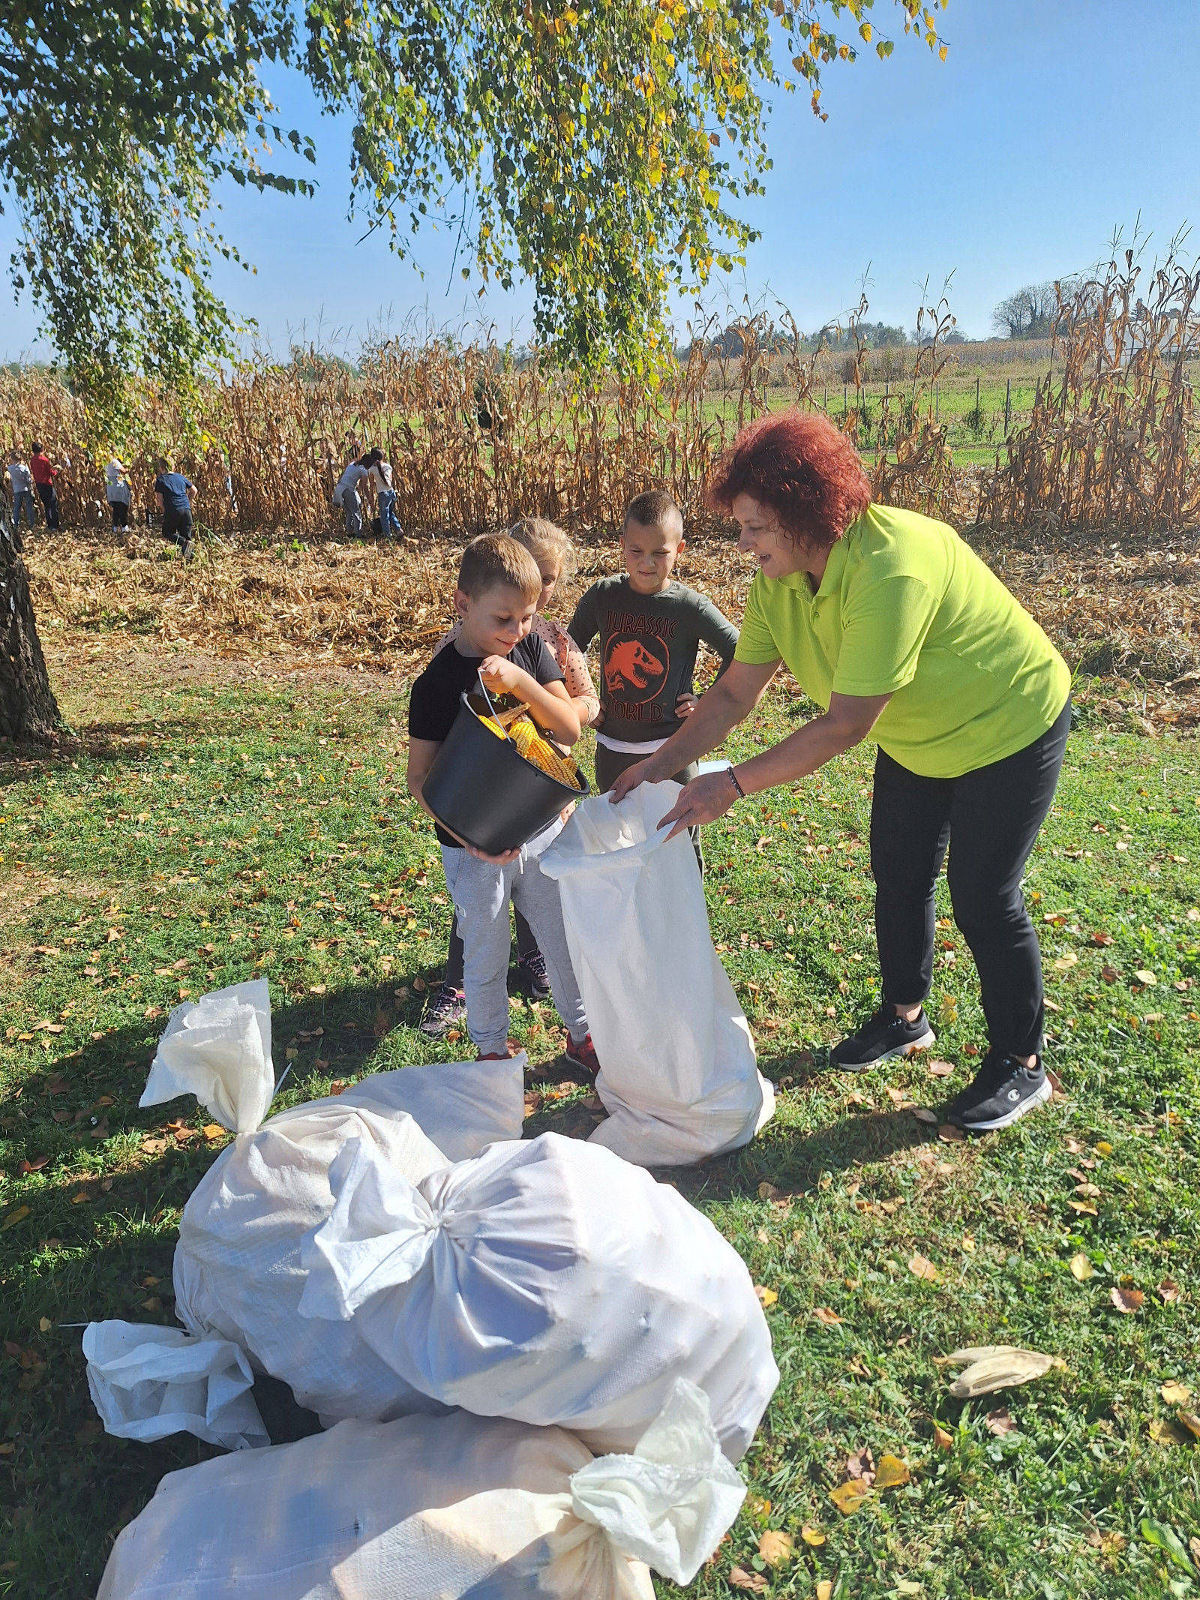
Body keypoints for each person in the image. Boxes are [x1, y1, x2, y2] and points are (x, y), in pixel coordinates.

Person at [612, 411, 1072, 1134]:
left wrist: (729, 786)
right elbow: (736, 691)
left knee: (982, 892)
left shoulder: (892, 567)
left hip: (1008, 724)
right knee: (898, 871)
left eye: (756, 526)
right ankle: (904, 1018)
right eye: (741, 525)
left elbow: (845, 724)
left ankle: (1021, 1063)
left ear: (805, 515)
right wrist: (661, 766)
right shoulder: (780, 580)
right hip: (918, 735)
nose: (743, 542)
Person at [406, 533, 598, 1074]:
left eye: (528, 617)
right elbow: (420, 779)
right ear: (463, 606)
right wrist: (473, 840)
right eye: (503, 619)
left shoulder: (530, 653)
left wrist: (522, 682)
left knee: (561, 939)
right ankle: (491, 1049)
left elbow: (568, 729)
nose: (517, 632)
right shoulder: (438, 684)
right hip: (471, 848)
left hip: (538, 828)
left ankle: (583, 1039)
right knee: (485, 950)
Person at [568, 488, 739, 867]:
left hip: (673, 749)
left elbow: (737, 648)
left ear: (679, 550)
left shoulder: (688, 606)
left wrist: (706, 702)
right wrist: (582, 697)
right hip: (613, 748)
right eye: (636, 551)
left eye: (660, 553)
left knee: (678, 839)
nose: (647, 563)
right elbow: (567, 647)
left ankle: (684, 918)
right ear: (621, 545)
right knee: (618, 842)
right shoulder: (602, 597)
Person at [153, 458, 196, 558]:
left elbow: (159, 500)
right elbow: (194, 490)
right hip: (186, 510)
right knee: (186, 534)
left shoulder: (160, 480)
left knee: (167, 532)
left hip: (173, 509)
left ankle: (183, 542)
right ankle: (189, 560)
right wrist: (188, 501)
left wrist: (164, 510)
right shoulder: (180, 477)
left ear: (161, 467)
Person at [365, 449, 402, 538]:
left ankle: (387, 536)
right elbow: (390, 480)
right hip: (391, 492)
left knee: (384, 516)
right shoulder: (388, 466)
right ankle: (399, 530)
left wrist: (371, 497)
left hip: (383, 494)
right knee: (390, 512)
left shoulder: (372, 469)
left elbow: (371, 485)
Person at [332, 454, 370, 538]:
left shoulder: (352, 464)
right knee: (356, 512)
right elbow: (365, 485)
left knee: (349, 512)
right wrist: (369, 497)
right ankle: (358, 534)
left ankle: (349, 532)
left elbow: (342, 476)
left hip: (340, 488)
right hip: (348, 489)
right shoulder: (363, 470)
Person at [5, 452, 36, 543]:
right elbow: (29, 480)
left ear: (12, 459)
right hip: (26, 489)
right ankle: (31, 523)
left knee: (17, 507)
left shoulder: (10, 468)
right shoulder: (24, 468)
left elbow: (8, 478)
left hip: (17, 490)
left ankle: (16, 523)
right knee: (29, 506)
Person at [30, 442, 61, 531]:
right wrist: (56, 471)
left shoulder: (32, 460)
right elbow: (49, 473)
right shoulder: (44, 460)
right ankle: (55, 525)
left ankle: (50, 525)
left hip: (39, 484)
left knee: (46, 505)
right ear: (42, 450)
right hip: (47, 484)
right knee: (53, 504)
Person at [105, 456, 132, 530]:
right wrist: (129, 468)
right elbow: (123, 471)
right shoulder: (114, 461)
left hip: (111, 487)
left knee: (116, 508)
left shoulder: (105, 462)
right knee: (122, 507)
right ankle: (124, 527)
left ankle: (115, 528)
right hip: (118, 487)